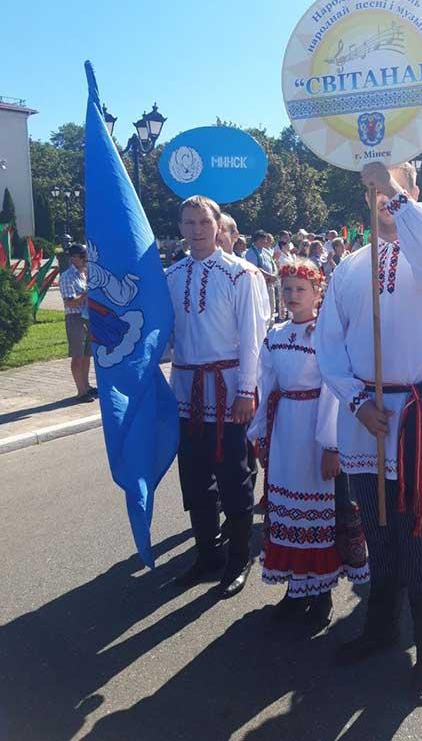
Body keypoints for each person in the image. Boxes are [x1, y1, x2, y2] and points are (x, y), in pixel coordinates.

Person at [315, 161, 422, 706]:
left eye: (395, 184)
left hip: (418, 417)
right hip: (367, 418)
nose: (381, 194)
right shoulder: (349, 269)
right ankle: (381, 629)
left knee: (420, 535)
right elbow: (329, 345)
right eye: (374, 186)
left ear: (413, 191)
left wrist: (396, 193)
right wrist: (355, 401)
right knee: (378, 529)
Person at [248, 257, 369, 629]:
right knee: (285, 509)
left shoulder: (327, 337)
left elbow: (335, 390)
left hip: (315, 433)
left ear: (318, 293)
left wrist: (333, 445)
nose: (292, 296)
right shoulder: (276, 335)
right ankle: (295, 589)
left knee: (320, 512)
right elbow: (265, 384)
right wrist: (259, 431)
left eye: (301, 289)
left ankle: (321, 594)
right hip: (286, 430)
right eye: (287, 289)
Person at [166, 196, 267, 595]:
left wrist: (247, 390)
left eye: (203, 222)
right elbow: (164, 334)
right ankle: (207, 555)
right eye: (188, 222)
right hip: (187, 392)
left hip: (228, 392)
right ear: (181, 227)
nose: (196, 229)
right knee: (194, 478)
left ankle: (238, 558)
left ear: (217, 224)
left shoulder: (241, 274)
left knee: (234, 478)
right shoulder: (171, 275)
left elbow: (253, 338)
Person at [58, 243, 96, 402]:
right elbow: (70, 303)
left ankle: (86, 386)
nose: (86, 259)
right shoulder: (67, 277)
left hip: (88, 318)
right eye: (83, 256)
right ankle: (80, 391)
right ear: (74, 258)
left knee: (87, 355)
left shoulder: (85, 273)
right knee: (77, 356)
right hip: (75, 319)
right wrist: (88, 292)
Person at [246, 229, 278, 325]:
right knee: (262, 309)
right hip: (259, 285)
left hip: (269, 284)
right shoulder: (251, 252)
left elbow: (272, 264)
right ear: (258, 240)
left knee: (271, 308)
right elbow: (255, 268)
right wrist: (269, 275)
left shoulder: (266, 252)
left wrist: (274, 275)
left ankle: (270, 328)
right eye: (264, 240)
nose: (266, 241)